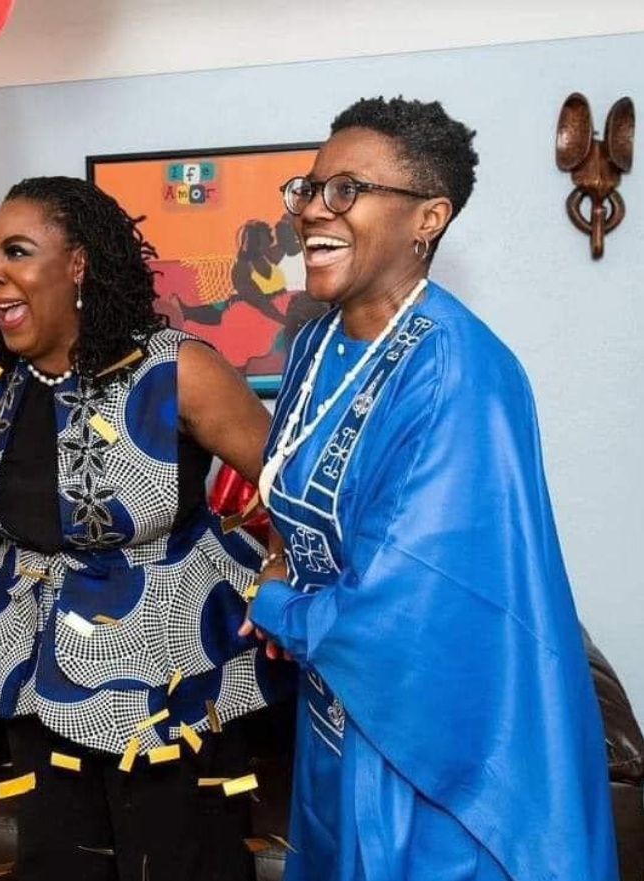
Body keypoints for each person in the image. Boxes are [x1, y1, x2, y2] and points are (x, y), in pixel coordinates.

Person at [0, 176, 292, 881]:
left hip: (162, 654)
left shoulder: (177, 369)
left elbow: (289, 487)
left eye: (16, 251)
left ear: (77, 264)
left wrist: (275, 565)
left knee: (174, 858)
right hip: (35, 646)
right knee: (58, 856)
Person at [240, 96, 617, 880]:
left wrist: (274, 603)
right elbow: (293, 495)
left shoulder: (455, 371)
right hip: (336, 707)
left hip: (431, 738)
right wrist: (278, 561)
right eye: (308, 188)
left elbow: (402, 604)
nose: (312, 209)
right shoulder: (312, 343)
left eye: (346, 190)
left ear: (427, 218)